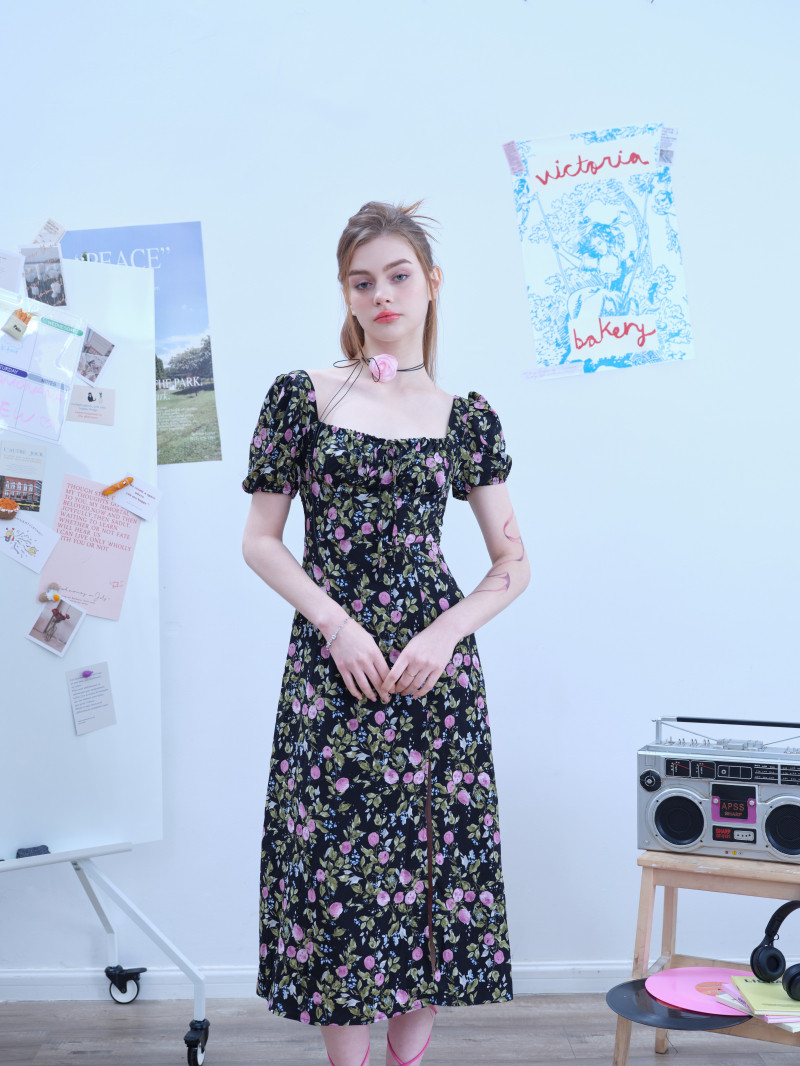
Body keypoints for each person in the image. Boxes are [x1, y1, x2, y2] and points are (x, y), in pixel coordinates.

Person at [242, 201, 530, 1066]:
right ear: (347, 293)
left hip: (430, 676)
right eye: (362, 281)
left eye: (399, 276)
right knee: (339, 871)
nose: (382, 294)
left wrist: (445, 635)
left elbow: (513, 564)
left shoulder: (463, 414)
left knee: (431, 876)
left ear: (431, 283)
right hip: (336, 665)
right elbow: (261, 541)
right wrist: (334, 625)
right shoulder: (303, 397)